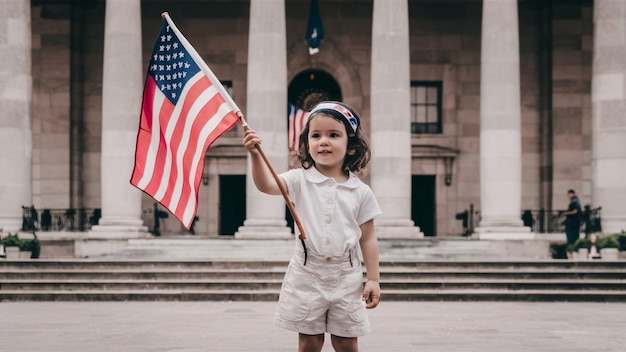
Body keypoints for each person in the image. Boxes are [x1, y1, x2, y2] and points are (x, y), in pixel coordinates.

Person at [243, 101, 382, 352]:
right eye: (315, 135)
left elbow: (368, 238)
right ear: (307, 144)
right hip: (307, 273)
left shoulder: (361, 191)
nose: (323, 141)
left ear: (351, 147)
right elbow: (266, 185)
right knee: (309, 341)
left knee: (346, 341)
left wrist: (373, 279)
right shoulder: (299, 179)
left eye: (333, 135)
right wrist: (255, 155)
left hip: (347, 275)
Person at [563, 189, 582, 256]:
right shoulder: (575, 201)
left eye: (569, 194)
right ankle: (571, 252)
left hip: (573, 223)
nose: (568, 196)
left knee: (572, 238)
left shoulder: (575, 201)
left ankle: (572, 252)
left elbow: (575, 211)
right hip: (574, 223)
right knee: (572, 238)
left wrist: (566, 213)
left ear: (572, 194)